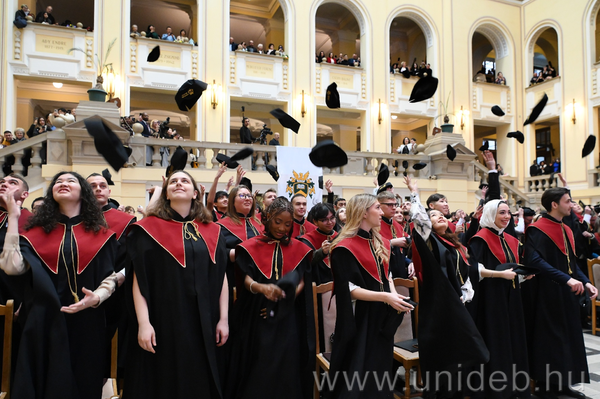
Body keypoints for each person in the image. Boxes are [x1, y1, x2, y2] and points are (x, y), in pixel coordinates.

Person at [0, 171, 119, 399]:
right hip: (42, 320)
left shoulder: (102, 234)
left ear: (83, 192)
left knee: (82, 383)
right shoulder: (33, 234)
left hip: (86, 322)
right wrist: (13, 218)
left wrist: (97, 297)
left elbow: (112, 277)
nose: (63, 183)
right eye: (58, 181)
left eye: (70, 180)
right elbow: (11, 267)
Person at [124, 171, 228, 398]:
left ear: (195, 193)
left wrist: (224, 319)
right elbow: (139, 279)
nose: (179, 184)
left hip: (204, 320)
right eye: (173, 181)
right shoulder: (148, 229)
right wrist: (144, 323)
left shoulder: (213, 230)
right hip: (164, 320)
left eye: (185, 181)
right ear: (166, 193)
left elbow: (221, 277)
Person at [404, 175, 489, 398]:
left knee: (461, 356)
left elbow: (465, 271)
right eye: (434, 215)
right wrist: (415, 193)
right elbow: (420, 221)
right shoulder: (428, 242)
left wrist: (465, 290)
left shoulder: (453, 244)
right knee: (444, 358)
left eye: (442, 215)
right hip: (438, 309)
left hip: (458, 305)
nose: (439, 217)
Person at [225, 197, 314, 399]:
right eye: (277, 222)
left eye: (288, 224)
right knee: (259, 359)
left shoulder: (300, 249)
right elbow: (245, 278)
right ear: (266, 219)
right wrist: (261, 288)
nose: (282, 228)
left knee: (287, 359)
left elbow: (301, 280)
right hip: (256, 311)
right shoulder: (250, 246)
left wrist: (285, 298)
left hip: (288, 313)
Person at [327, 193, 413, 398]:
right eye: (377, 208)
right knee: (358, 367)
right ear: (364, 213)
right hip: (358, 316)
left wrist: (393, 297)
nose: (382, 212)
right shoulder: (343, 246)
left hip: (381, 314)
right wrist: (385, 297)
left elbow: (387, 275)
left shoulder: (380, 240)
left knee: (379, 366)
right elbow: (347, 289)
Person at [522, 187, 598, 399]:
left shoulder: (565, 228)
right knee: (550, 341)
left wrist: (586, 281)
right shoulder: (537, 229)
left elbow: (571, 263)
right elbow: (534, 261)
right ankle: (546, 388)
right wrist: (566, 279)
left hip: (566, 293)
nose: (571, 204)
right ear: (554, 205)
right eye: (567, 201)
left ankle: (563, 384)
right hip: (547, 294)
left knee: (568, 339)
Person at [468, 200, 530, 399]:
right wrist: (499, 275)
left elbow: (512, 267)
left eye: (508, 213)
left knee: (513, 338)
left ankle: (515, 386)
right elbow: (474, 269)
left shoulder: (511, 239)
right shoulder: (480, 239)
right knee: (497, 339)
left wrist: (523, 274)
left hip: (512, 296)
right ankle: (497, 390)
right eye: (501, 213)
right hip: (491, 299)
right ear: (490, 214)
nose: (506, 217)